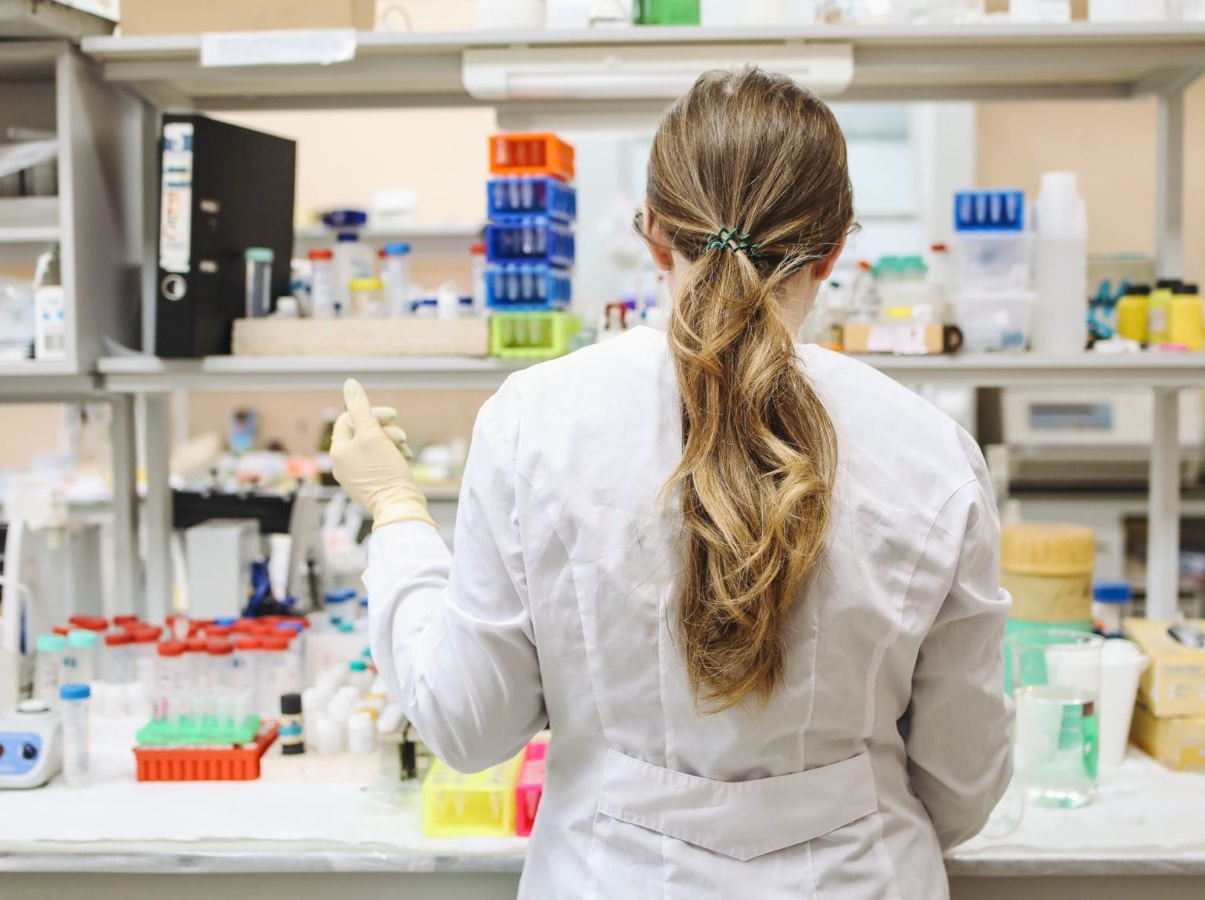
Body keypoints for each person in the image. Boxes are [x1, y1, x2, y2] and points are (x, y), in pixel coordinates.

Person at [330, 68, 1012, 899]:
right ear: (833, 251)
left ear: (654, 235)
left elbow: (471, 724)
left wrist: (397, 513)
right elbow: (963, 778)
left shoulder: (538, 421)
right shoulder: (931, 452)